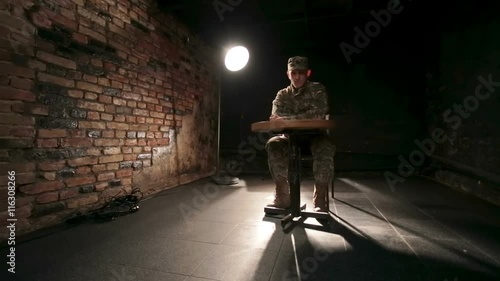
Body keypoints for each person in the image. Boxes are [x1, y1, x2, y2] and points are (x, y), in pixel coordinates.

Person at [266, 56, 335, 212]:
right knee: (273, 145)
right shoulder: (282, 95)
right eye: (294, 72)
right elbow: (275, 119)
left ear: (308, 73)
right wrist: (294, 118)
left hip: (315, 137)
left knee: (325, 147)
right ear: (288, 74)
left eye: (301, 73)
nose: (297, 76)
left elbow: (318, 114)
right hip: (290, 139)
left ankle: (319, 197)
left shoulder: (318, 90)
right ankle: (283, 195)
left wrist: (286, 118)